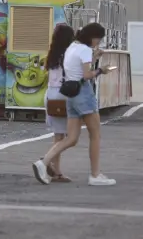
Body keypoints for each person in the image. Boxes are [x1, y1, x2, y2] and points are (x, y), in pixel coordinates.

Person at [32, 22, 116, 187]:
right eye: (98, 40)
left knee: (71, 138)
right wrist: (101, 70)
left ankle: (44, 162)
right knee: (95, 135)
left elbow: (77, 68)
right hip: (83, 93)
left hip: (70, 94)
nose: (97, 43)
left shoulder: (72, 47)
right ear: (93, 37)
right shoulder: (84, 49)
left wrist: (94, 58)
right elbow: (86, 74)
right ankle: (95, 174)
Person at [43, 23, 75, 183]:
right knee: (70, 136)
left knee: (58, 135)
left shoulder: (52, 54)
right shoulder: (68, 55)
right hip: (63, 95)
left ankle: (57, 172)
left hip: (50, 94)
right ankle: (46, 161)